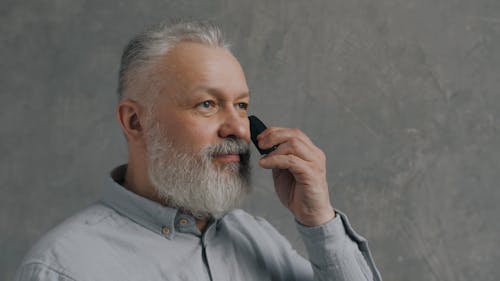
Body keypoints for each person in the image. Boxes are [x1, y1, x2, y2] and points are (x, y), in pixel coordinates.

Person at [15, 21, 382, 281]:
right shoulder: (63, 268)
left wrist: (319, 221)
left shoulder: (257, 237)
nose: (238, 127)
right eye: (207, 104)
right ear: (135, 122)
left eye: (241, 105)